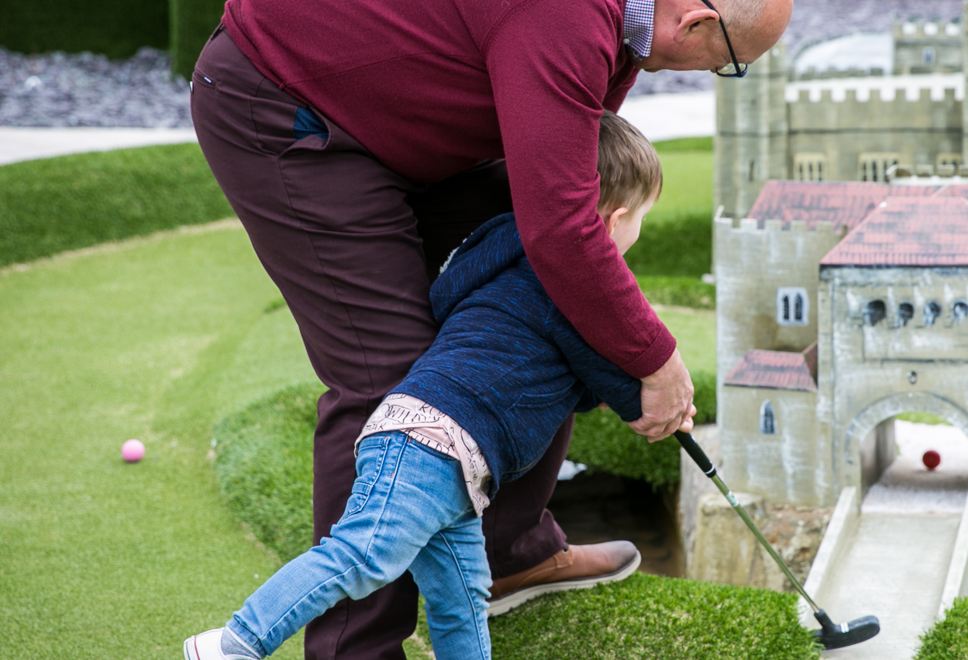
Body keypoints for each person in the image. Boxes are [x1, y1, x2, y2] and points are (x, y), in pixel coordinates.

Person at [188, 0, 791, 657]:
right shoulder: (567, 15)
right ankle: (353, 651)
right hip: (293, 108)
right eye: (731, 63)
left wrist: (617, 342)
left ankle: (507, 553)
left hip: (403, 113)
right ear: (698, 24)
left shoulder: (623, 29)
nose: (716, 71)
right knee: (391, 386)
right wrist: (655, 359)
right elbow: (562, 231)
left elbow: (566, 195)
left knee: (566, 305)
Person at [183, 112, 664, 660]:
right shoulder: (573, 289)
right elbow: (617, 376)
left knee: (462, 596)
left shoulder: (498, 252)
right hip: (435, 446)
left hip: (446, 456)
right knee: (363, 555)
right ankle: (233, 643)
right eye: (642, 217)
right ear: (612, 222)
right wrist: (658, 403)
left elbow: (478, 317)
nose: (640, 229)